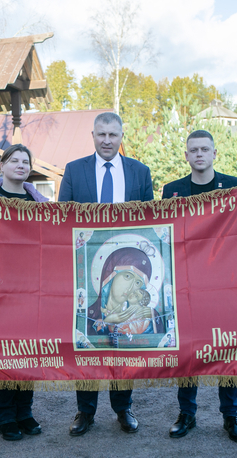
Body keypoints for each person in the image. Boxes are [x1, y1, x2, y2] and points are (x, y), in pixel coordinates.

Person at [58, 111, 154, 436]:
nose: (107, 140)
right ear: (93, 135)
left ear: (121, 135)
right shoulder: (74, 170)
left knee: (122, 342)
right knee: (88, 340)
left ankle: (123, 409)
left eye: (113, 134)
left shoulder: (140, 172)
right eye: (101, 134)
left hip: (126, 270)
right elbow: (62, 219)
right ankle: (84, 412)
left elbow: (149, 220)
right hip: (88, 270)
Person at [161, 129, 237, 442]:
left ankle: (231, 416)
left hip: (224, 286)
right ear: (186, 156)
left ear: (215, 153)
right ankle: (186, 413)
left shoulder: (234, 186)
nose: (199, 154)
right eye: (194, 150)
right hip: (185, 284)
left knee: (226, 347)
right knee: (187, 349)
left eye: (205, 149)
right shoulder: (172, 191)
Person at [0, 143, 48, 441]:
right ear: (2, 165)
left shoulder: (40, 203)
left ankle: (25, 412)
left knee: (27, 351)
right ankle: (5, 416)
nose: (20, 165)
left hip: (31, 288)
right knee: (3, 352)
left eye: (25, 161)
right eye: (14, 160)